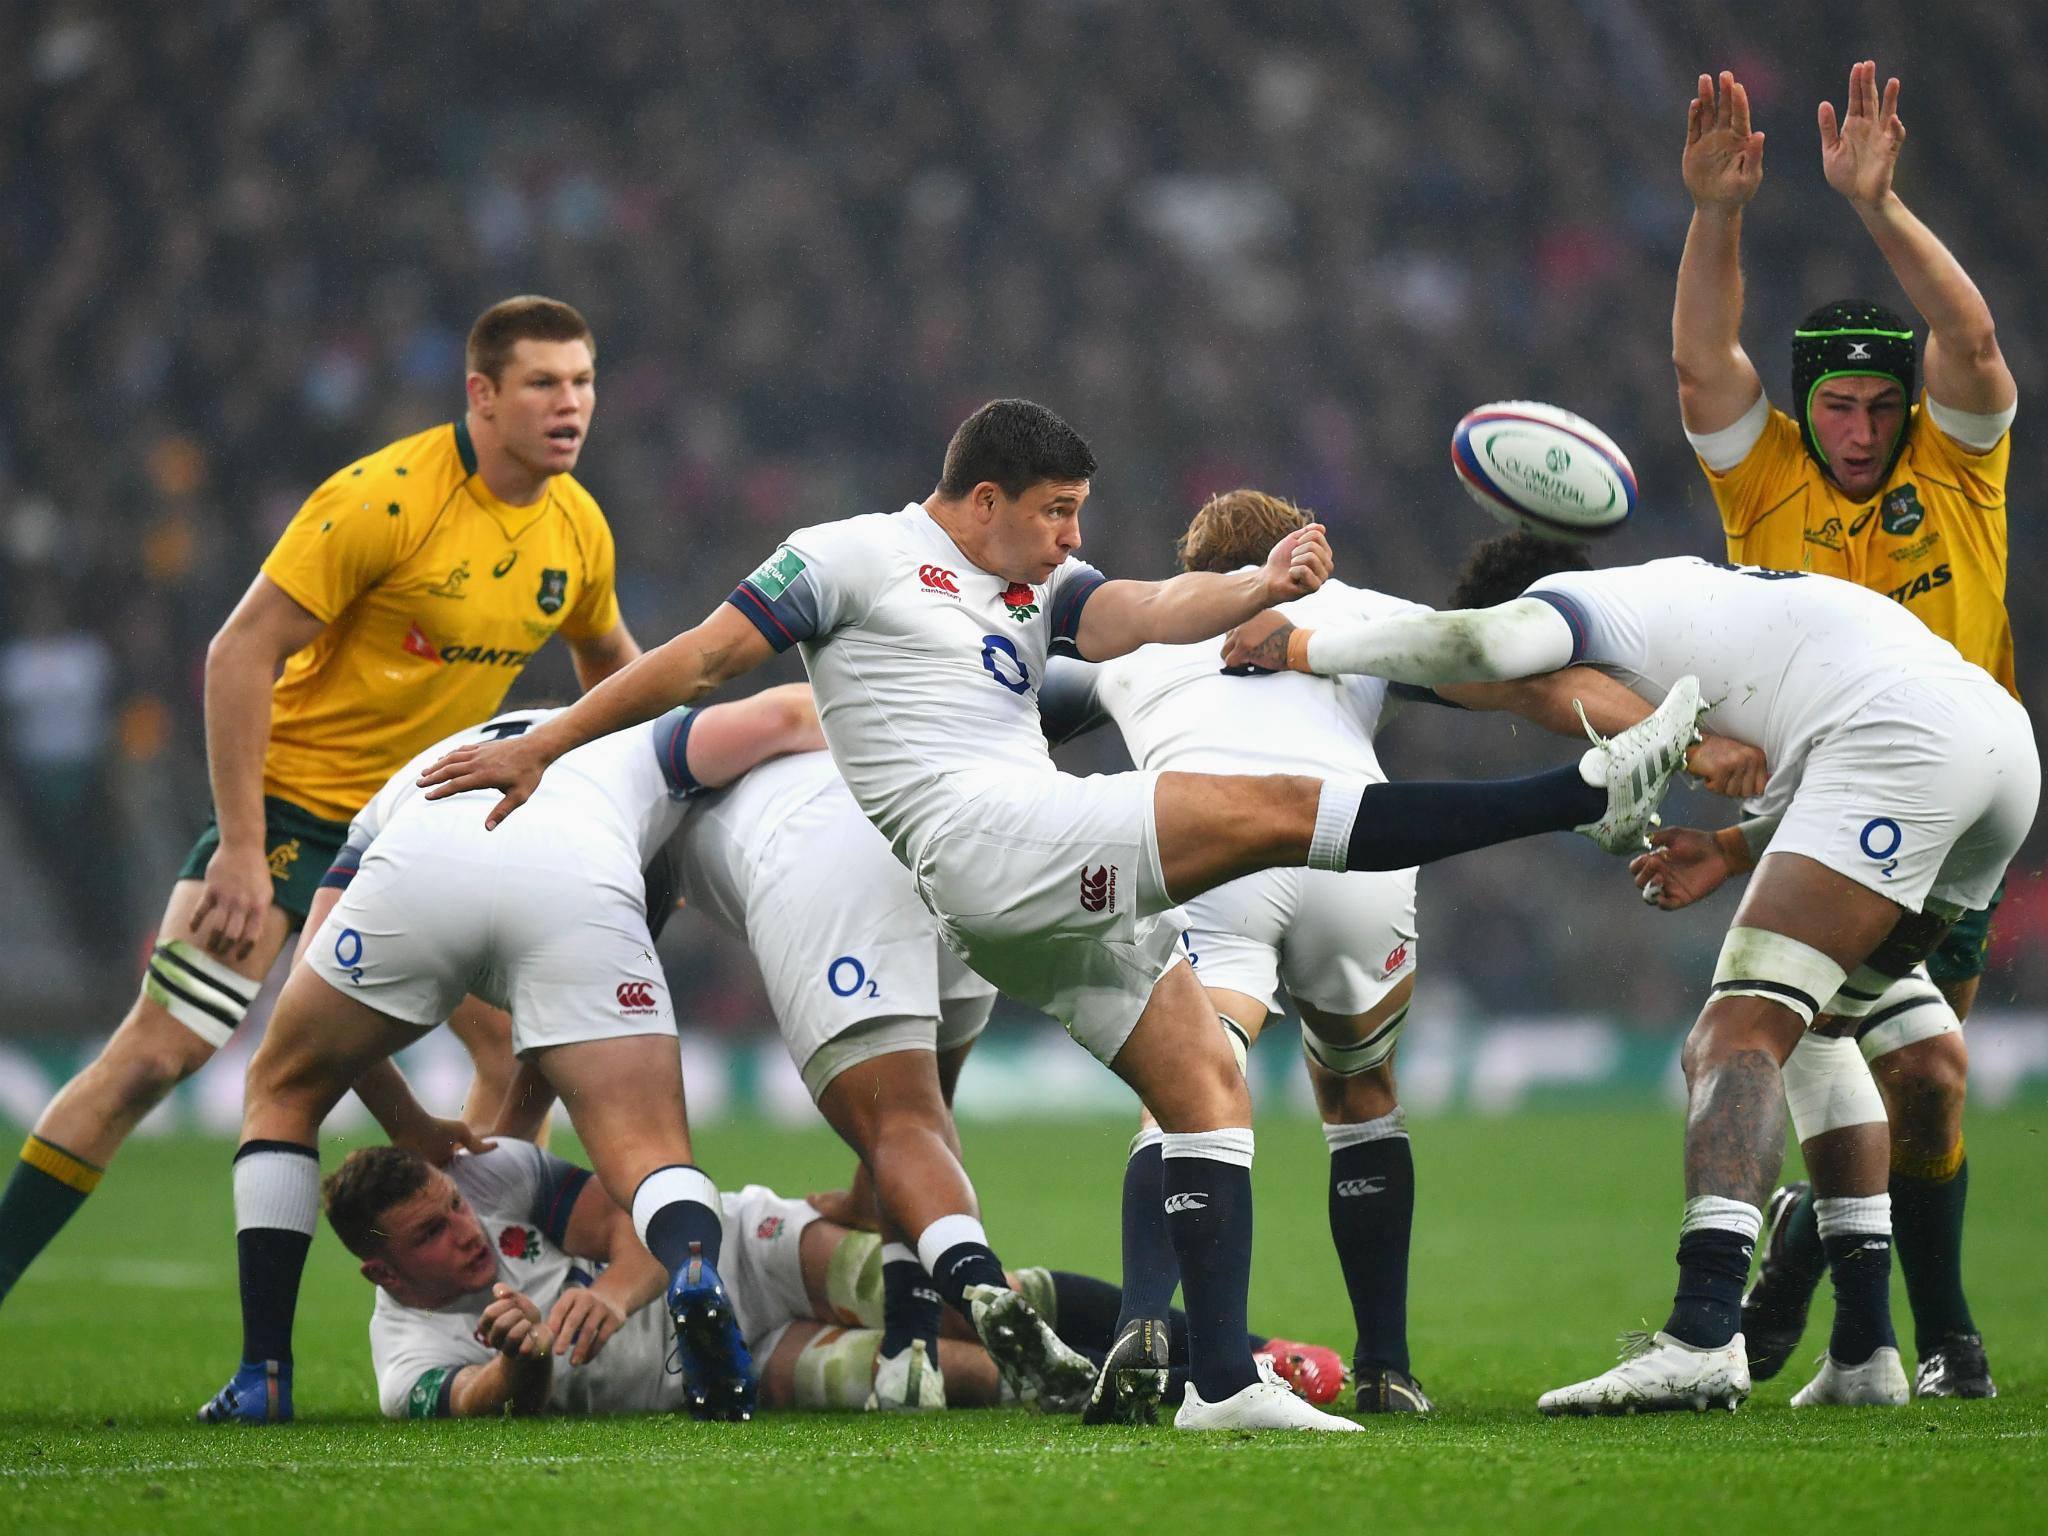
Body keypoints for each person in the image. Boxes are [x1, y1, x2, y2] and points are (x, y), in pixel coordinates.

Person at [418, 398, 1704, 1431]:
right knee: (1261, 810)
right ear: (983, 499)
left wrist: (1257, 583)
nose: (1066, 537)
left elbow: (1148, 610)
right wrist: (550, 745)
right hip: (981, 839)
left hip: (1026, 863)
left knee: (1204, 1080)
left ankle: (1217, 1383)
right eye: (1052, 514)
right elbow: (696, 660)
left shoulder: (1038, 584)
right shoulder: (846, 558)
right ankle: (1577, 795)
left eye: (1076, 516)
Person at [1224, 534, 2037, 1414]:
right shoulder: (1711, 609)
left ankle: (1699, 1335)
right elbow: (1839, 774)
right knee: (1823, 1027)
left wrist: (1303, 645)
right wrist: (1730, 846)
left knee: (1735, 1037)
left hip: (1903, 741)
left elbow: (1480, 646)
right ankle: (1866, 1348)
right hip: (1996, 749)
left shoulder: (1583, 604)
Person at [1048, 491, 1765, 1420]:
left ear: (1196, 574)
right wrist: (1695, 747)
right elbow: (1528, 684)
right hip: (1359, 853)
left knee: (1188, 1092)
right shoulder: (1359, 610)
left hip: (1208, 852)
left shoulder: (1139, 629)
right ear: (1302, 556)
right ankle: (1386, 1365)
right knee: (1360, 1101)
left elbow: (1008, 704)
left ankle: (1140, 1326)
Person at [0, 296, 640, 1307]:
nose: (571, 405)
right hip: (295, 818)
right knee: (154, 1056)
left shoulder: (577, 529)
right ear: (481, 396)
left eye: (584, 382)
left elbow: (616, 677)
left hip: (427, 834)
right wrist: (243, 853)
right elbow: (238, 650)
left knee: (523, 1052)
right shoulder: (385, 499)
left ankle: (505, 1298)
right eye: (543, 384)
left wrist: (646, 809)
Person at [1673, 64, 2020, 1396]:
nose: (1865, 428)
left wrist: (1879, 205)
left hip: (1952, 816)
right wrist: (1718, 218)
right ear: (1805, 409)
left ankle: (1830, 1308)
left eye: (1884, 407)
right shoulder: (1765, 485)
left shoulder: (1959, 468)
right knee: (1886, 1060)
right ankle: (1937, 1340)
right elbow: (1705, 359)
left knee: (1920, 1084)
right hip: (1821, 821)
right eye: (1841, 406)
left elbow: (1976, 345)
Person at [197, 687, 823, 1424]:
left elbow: (313, 970)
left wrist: (409, 1124)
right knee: (650, 1158)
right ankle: (690, 1266)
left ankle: (263, 1374)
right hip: (574, 881)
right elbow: (787, 717)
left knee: (283, 1085)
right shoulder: (638, 738)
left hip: (421, 863)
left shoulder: (413, 773)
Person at [321, 1140, 1344, 1420]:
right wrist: (523, 1358)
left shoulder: (496, 1175)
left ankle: (1241, 1355)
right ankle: (1180, 1386)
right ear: (381, 1267)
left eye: (456, 1208)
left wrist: (631, 1284)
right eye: (433, 1231)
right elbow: (488, 1404)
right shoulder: (407, 1357)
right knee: (965, 1377)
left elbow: (625, 1220)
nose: (466, 1230)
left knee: (988, 1307)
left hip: (737, 1248)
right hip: (726, 1366)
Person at [661, 749, 1005, 1411]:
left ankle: (958, 1302)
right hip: (949, 836)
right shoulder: (736, 748)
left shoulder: (653, 775)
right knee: (922, 1124)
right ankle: (1240, 1351)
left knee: (902, 1126)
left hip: (832, 864)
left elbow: (789, 706)